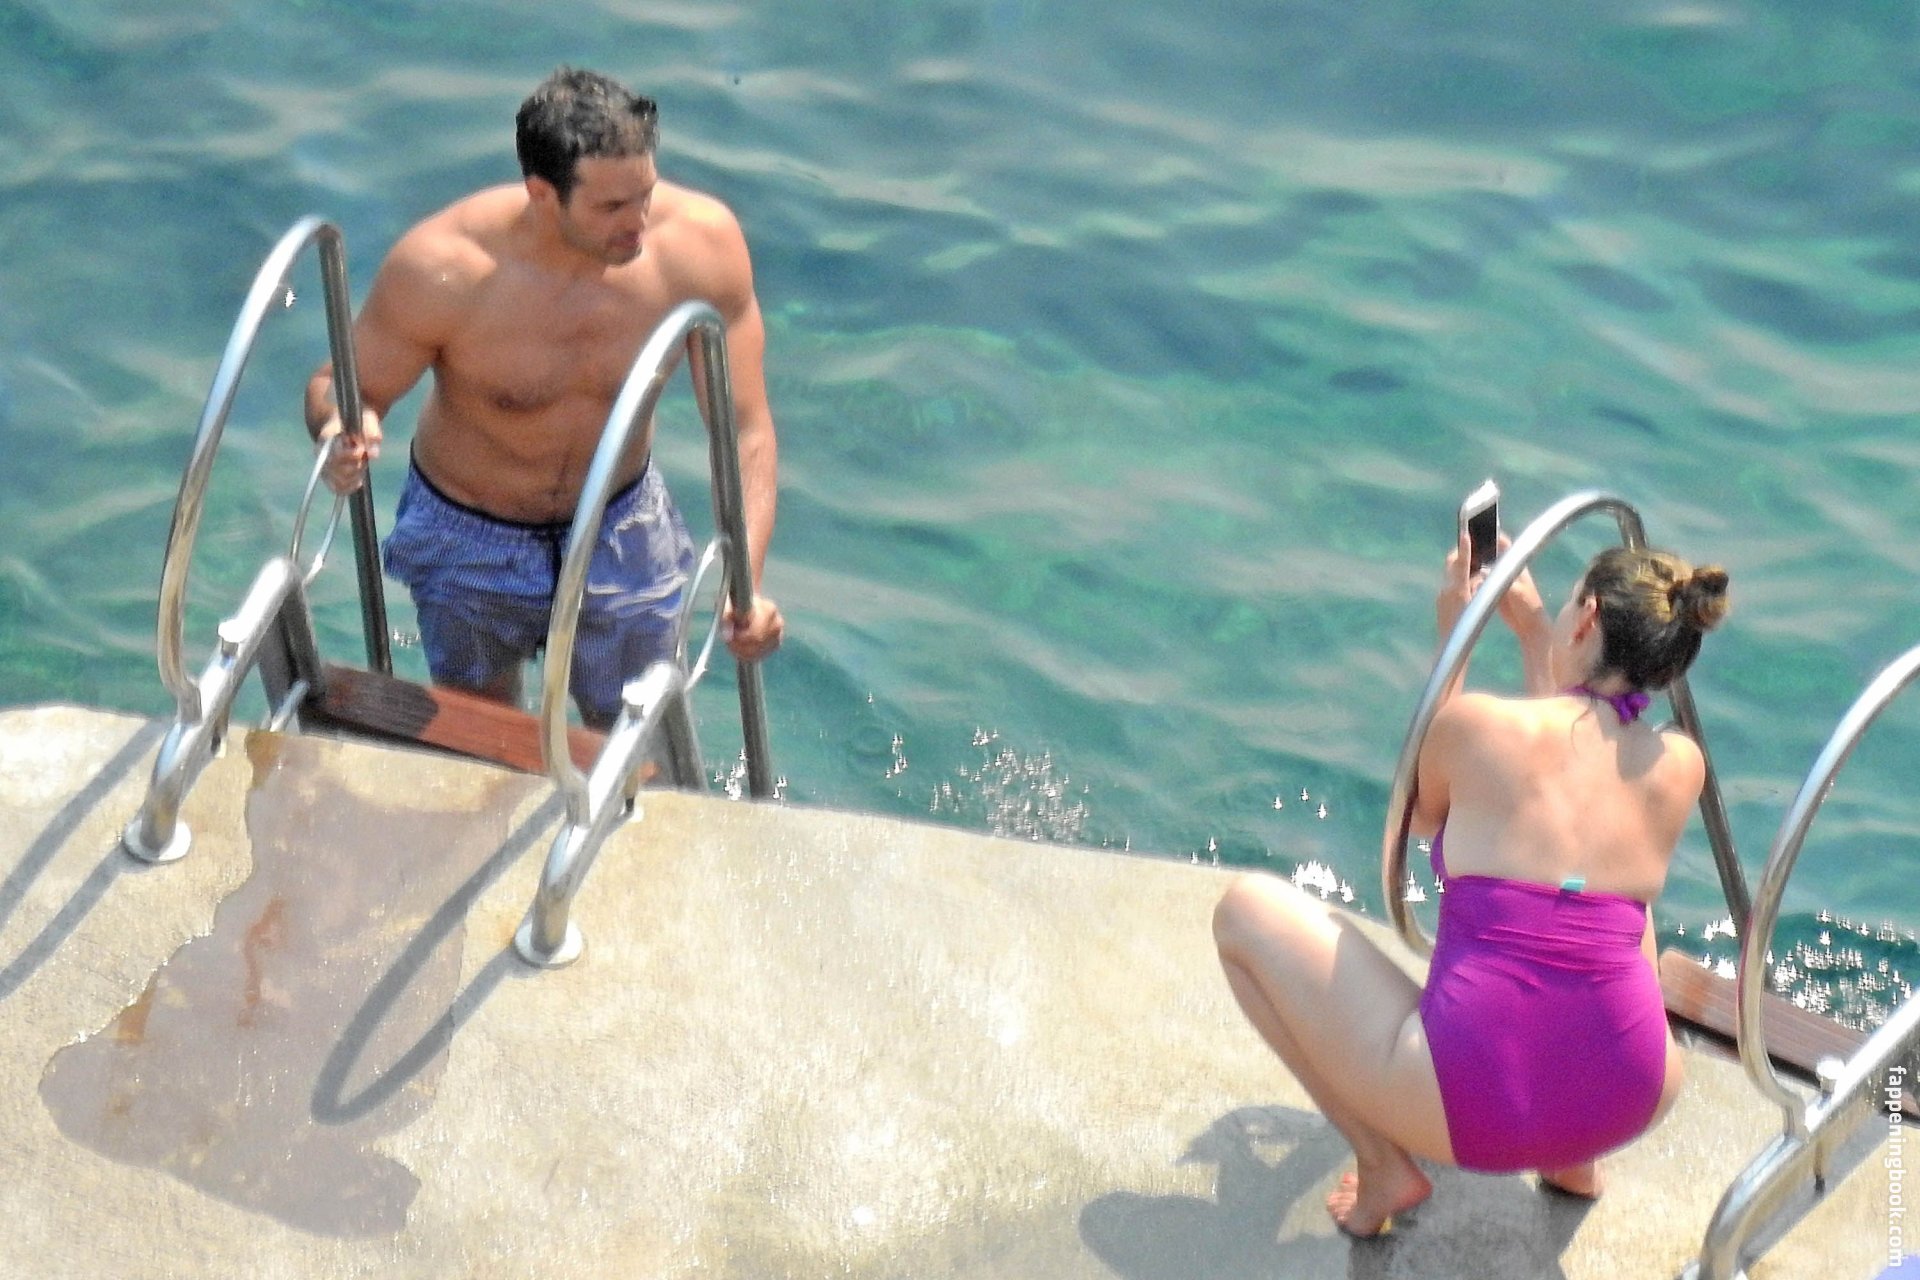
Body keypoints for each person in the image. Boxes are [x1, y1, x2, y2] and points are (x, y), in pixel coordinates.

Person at [1212, 527, 1731, 1238]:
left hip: (1474, 1108)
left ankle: (1382, 1166)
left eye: (1571, 604)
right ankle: (1573, 1161)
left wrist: (1455, 631)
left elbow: (1418, 818)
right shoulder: (1679, 766)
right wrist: (1536, 632)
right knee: (1602, 898)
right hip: (1632, 1097)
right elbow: (1572, 770)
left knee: (1242, 913)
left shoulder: (1477, 727)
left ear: (1586, 618)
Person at [304, 66, 783, 728]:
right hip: (469, 535)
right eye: (610, 208)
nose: (638, 223)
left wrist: (746, 586)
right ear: (541, 193)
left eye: (644, 195)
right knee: (484, 736)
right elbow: (341, 387)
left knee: (637, 739)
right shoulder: (448, 268)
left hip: (620, 524)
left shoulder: (699, 247)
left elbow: (746, 429)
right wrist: (341, 430)